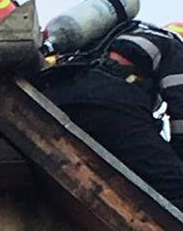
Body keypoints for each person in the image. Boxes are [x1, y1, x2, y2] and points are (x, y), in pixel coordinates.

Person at [34, 19, 183, 208]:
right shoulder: (175, 49)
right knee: (175, 184)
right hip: (112, 102)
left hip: (58, 91)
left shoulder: (121, 32)